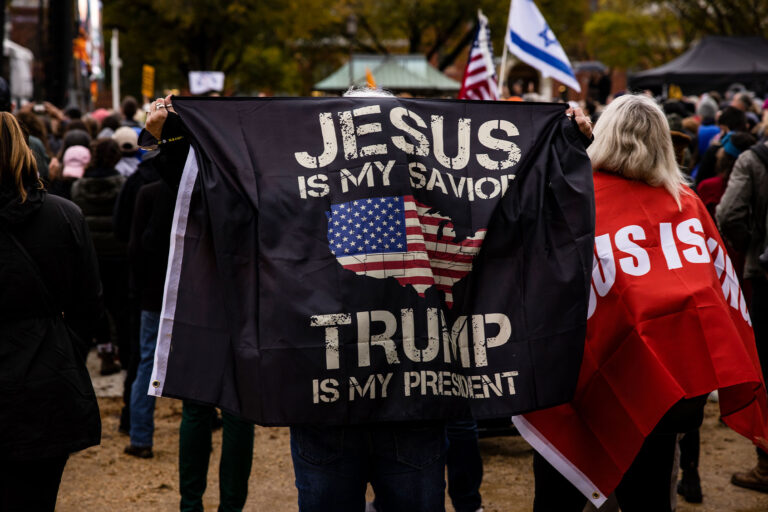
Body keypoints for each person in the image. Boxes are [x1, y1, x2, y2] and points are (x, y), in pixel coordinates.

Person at [528, 94, 758, 511]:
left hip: (576, 388)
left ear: (605, 135)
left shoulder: (568, 196)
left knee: (558, 500)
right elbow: (719, 293)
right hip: (661, 398)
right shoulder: (684, 205)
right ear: (664, 144)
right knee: (647, 498)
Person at [0, 112, 102, 510]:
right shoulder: (65, 217)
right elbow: (90, 306)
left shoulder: (64, 215)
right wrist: (64, 351)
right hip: (47, 382)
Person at [716, 132, 768, 494]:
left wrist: (750, 245)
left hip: (764, 273)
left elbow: (729, 212)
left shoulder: (753, 159)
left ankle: (766, 465)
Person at [70, 138, 128, 376]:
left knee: (99, 307)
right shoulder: (123, 184)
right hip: (119, 254)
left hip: (91, 254)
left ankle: (104, 353)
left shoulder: (79, 187)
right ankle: (125, 352)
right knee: (121, 306)